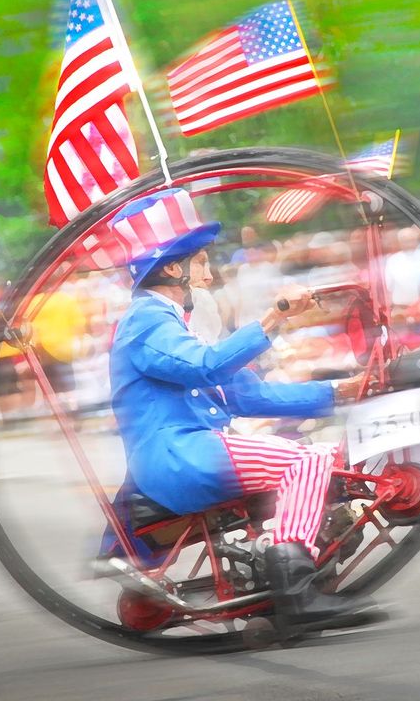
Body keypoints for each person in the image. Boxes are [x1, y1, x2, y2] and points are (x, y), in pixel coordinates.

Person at [100, 189, 377, 628]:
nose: (209, 276)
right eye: (202, 263)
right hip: (180, 457)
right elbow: (207, 367)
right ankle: (295, 591)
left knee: (311, 456)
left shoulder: (173, 325)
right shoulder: (147, 319)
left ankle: (280, 573)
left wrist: (344, 391)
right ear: (174, 268)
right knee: (309, 461)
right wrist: (275, 318)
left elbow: (247, 395)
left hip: (190, 453)